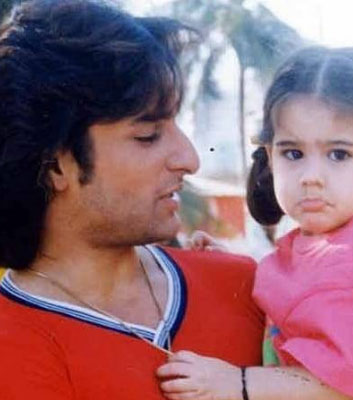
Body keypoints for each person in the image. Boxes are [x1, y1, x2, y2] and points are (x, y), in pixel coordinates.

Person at [0, 1, 264, 399]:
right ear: (56, 166)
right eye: (147, 136)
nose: (189, 159)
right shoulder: (12, 345)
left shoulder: (243, 285)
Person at [157, 46, 353, 400]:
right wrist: (232, 268)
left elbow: (344, 385)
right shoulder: (326, 246)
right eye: (293, 153)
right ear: (271, 156)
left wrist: (234, 382)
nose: (310, 176)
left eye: (339, 154)